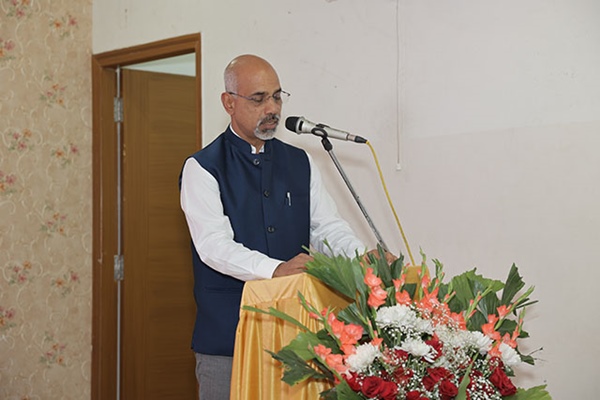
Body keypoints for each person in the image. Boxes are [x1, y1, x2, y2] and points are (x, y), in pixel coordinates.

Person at [179, 54, 389, 399]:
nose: (272, 108)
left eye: (277, 96)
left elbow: (327, 227)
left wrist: (360, 258)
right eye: (258, 99)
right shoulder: (202, 168)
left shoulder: (300, 161)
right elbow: (213, 246)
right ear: (229, 103)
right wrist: (274, 269)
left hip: (297, 335)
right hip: (228, 339)